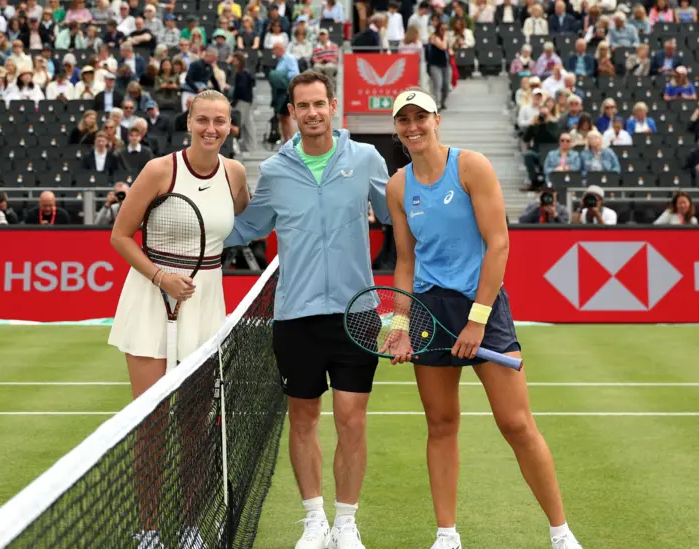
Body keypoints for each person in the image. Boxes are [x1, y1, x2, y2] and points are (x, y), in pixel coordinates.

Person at [383, 88, 584, 549]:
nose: (412, 126)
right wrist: (399, 326)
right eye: (403, 120)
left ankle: (561, 533)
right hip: (430, 312)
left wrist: (477, 320)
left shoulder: (472, 166)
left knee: (516, 423)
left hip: (482, 306)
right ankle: (447, 536)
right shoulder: (397, 186)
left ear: (436, 119)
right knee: (441, 424)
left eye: (420, 117)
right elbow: (406, 262)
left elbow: (499, 244)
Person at [224, 71, 391, 549]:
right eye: (304, 106)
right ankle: (314, 519)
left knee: (352, 419)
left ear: (332, 106)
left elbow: (399, 213)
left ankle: (345, 522)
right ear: (292, 113)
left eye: (321, 104)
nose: (313, 113)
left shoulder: (365, 159)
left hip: (356, 313)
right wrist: (186, 218)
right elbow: (244, 228)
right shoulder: (276, 171)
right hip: (294, 316)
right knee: (303, 419)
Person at [107, 89, 250, 547]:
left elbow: (235, 210)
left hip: (207, 305)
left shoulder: (235, 174)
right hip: (153, 301)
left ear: (230, 126)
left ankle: (190, 527)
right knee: (152, 425)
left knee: (195, 427)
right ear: (189, 122)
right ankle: (147, 531)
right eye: (203, 119)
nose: (212, 128)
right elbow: (120, 235)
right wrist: (160, 276)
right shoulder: (159, 170)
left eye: (221, 121)